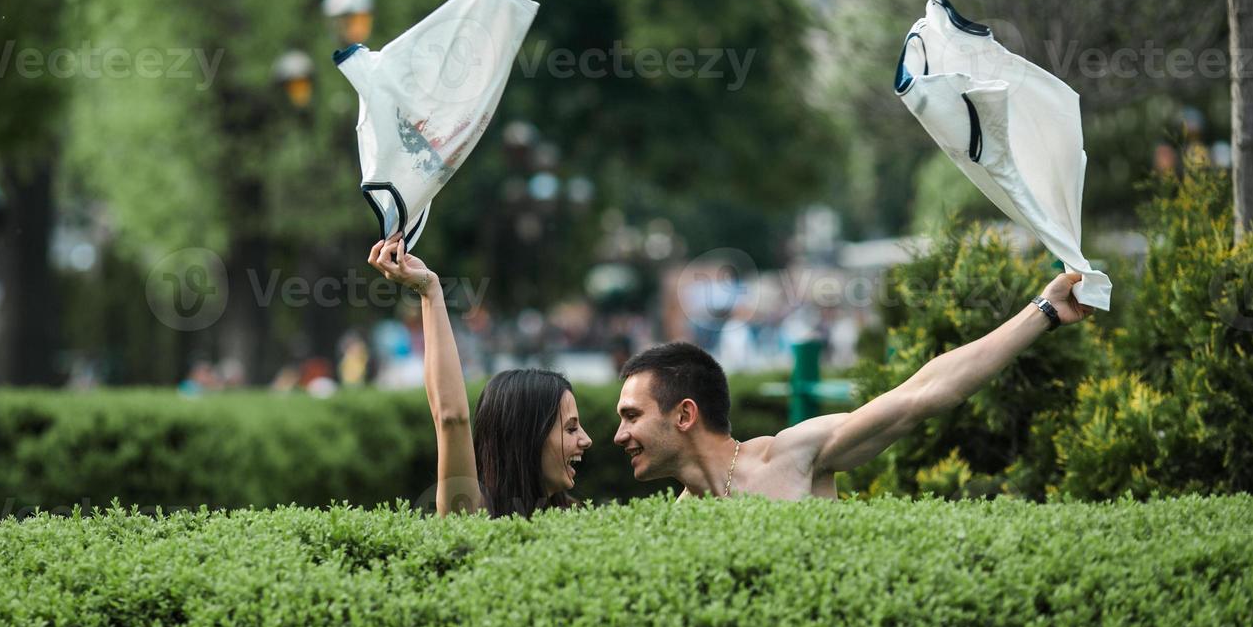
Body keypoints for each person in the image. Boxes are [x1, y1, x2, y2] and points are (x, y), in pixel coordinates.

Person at [614, 273, 1094, 501]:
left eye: (631, 416)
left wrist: (1044, 312)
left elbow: (921, 395)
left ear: (684, 415)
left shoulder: (790, 456)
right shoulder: (681, 521)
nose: (617, 436)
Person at [367, 235, 591, 518]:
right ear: (526, 436)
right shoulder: (473, 513)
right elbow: (451, 418)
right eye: (570, 429)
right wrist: (429, 291)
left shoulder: (577, 517)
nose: (586, 440)